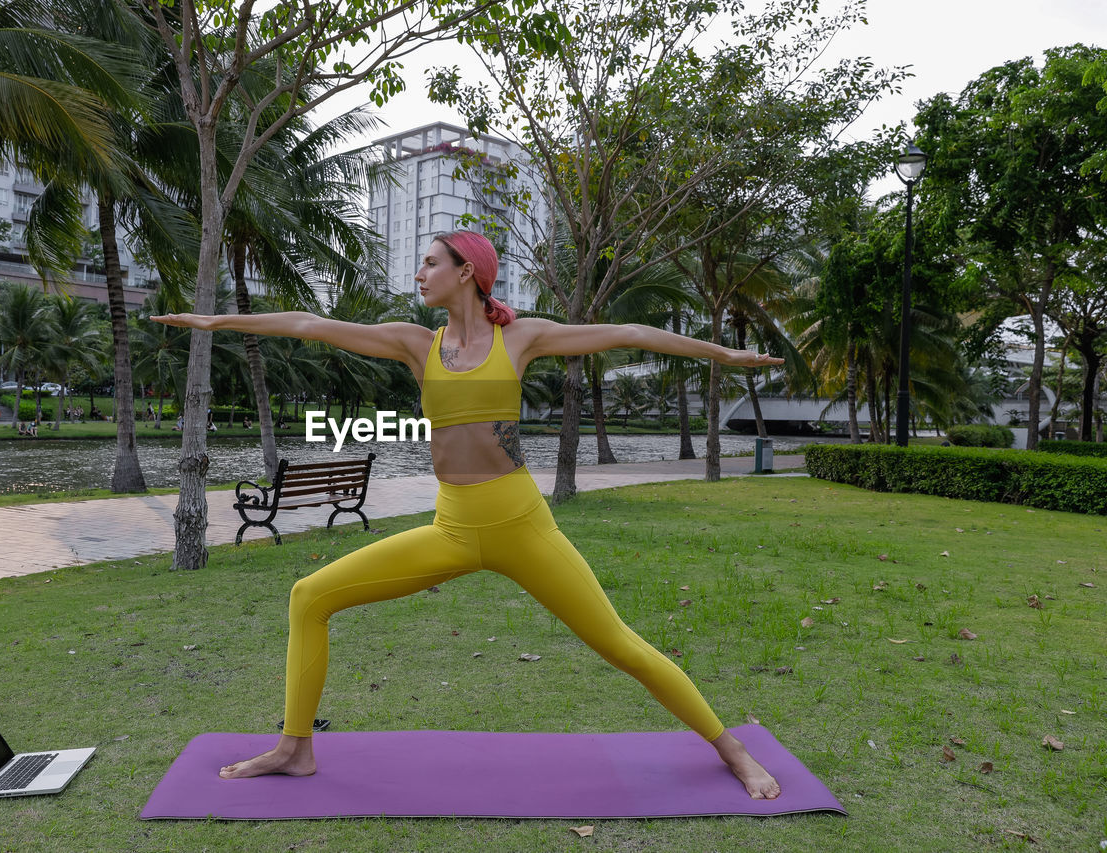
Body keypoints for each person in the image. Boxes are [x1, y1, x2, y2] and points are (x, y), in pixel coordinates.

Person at [151, 231, 785, 799]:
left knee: (620, 645)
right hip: (451, 529)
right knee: (309, 595)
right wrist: (214, 322)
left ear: (466, 272)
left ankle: (730, 749)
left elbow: (633, 334)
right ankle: (295, 748)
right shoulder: (414, 344)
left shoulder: (522, 337)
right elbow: (306, 324)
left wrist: (724, 356)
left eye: (430, 263)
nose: (419, 274)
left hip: (521, 526)